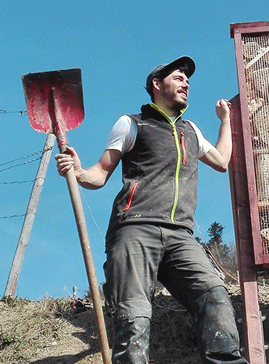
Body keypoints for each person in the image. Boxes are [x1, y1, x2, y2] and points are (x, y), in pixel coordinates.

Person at [55, 56, 249, 364]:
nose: (186, 82)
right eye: (178, 77)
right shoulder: (132, 124)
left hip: (181, 236)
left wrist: (225, 121)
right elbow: (100, 174)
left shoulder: (191, 131)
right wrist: (77, 172)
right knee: (134, 317)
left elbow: (223, 162)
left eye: (188, 79)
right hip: (135, 230)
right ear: (157, 85)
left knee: (214, 296)